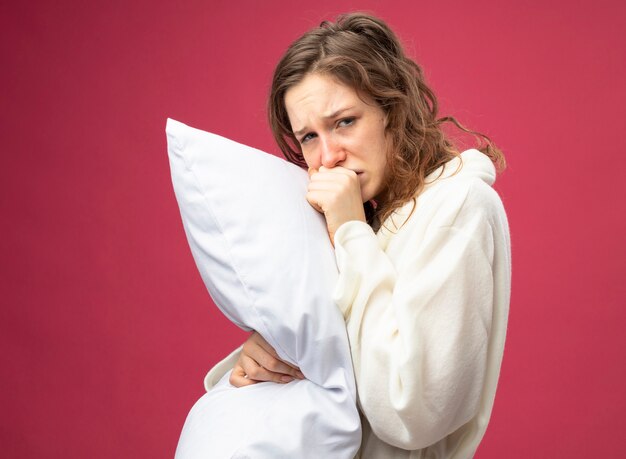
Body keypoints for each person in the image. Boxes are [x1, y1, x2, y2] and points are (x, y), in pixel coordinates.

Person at [206, 12, 511, 459]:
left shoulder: (459, 207)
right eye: (308, 136)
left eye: (345, 121)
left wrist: (350, 232)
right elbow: (333, 364)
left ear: (393, 110)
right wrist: (262, 359)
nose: (327, 156)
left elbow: (410, 415)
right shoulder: (361, 220)